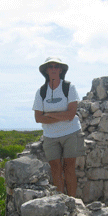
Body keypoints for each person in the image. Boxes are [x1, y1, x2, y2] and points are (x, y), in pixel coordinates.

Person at [32, 57, 86, 197]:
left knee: (69, 168)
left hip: (71, 133)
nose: (54, 69)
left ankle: (72, 201)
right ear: (46, 70)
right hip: (50, 136)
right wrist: (61, 115)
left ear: (61, 70)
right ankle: (61, 202)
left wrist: (50, 114)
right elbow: (38, 118)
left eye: (57, 66)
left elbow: (71, 114)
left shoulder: (69, 87)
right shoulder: (41, 92)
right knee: (55, 169)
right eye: (51, 66)